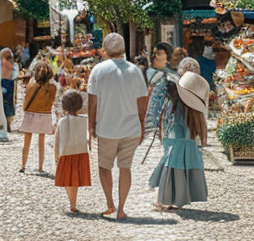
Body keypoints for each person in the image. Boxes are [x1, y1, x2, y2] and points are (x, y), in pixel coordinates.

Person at [87, 33, 148, 220]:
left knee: (105, 167)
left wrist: (91, 126)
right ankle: (122, 208)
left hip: (106, 128)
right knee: (125, 168)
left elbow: (92, 102)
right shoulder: (135, 71)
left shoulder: (98, 71)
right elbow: (142, 102)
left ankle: (110, 204)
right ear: (123, 50)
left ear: (105, 49)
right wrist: (142, 125)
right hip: (130, 128)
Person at [148, 62, 209, 211]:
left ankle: (164, 200)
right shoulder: (194, 109)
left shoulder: (176, 100)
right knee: (180, 170)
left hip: (174, 138)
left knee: (170, 170)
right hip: (185, 140)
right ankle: (177, 200)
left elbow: (168, 119)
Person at [54, 89, 91, 213]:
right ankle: (73, 204)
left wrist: (56, 155)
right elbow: (88, 138)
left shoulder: (62, 121)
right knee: (75, 180)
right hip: (81, 152)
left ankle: (71, 202)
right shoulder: (83, 121)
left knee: (67, 179)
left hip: (65, 153)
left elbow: (57, 140)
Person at [19, 59, 57, 173]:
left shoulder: (30, 83)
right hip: (44, 113)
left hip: (30, 112)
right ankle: (40, 168)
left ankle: (23, 165)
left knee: (27, 142)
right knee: (41, 141)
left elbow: (26, 98)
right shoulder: (52, 87)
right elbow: (51, 102)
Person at [0, 47, 18, 136]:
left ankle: (2, 123)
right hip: (10, 83)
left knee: (2, 103)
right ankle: (8, 122)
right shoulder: (13, 65)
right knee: (10, 103)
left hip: (1, 83)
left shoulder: (0, 63)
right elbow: (16, 75)